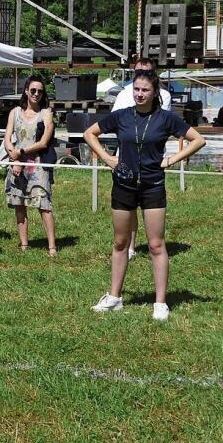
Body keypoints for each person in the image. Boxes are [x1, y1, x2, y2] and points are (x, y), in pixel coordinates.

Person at [85, 70, 206, 321]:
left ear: (154, 93)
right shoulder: (121, 117)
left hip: (152, 186)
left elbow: (198, 140)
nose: (140, 94)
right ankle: (115, 297)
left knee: (155, 244)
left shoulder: (166, 119)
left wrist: (172, 159)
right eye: (136, 89)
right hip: (123, 185)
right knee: (120, 243)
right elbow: (90, 134)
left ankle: (160, 303)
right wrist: (108, 158)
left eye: (145, 90)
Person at [112, 57, 172, 260]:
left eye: (146, 71)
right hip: (126, 158)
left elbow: (163, 125)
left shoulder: (163, 95)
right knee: (127, 207)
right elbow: (112, 123)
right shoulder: (124, 94)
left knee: (147, 205)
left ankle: (143, 244)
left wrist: (170, 160)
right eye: (138, 71)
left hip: (150, 162)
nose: (140, 92)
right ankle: (130, 245)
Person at [3, 75, 58, 257]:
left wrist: (21, 153)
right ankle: (24, 244)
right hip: (18, 164)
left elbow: (43, 142)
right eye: (33, 90)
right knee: (19, 203)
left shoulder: (46, 113)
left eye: (40, 91)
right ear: (26, 91)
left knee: (44, 205)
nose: (36, 94)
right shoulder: (15, 112)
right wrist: (14, 156)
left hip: (38, 164)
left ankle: (52, 246)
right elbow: (7, 138)